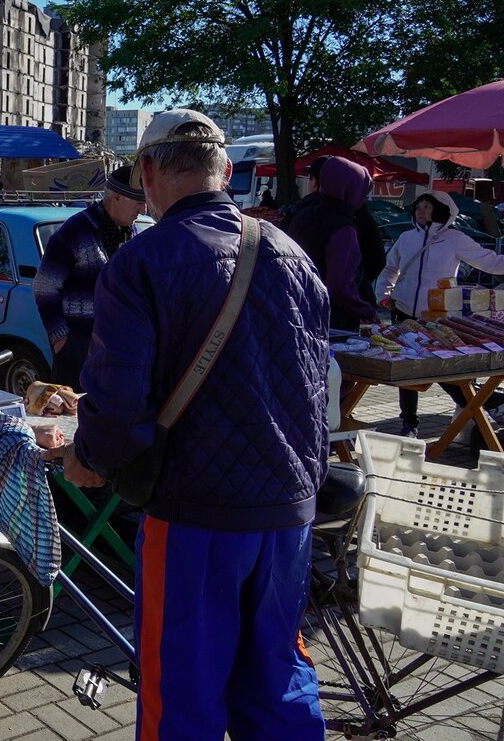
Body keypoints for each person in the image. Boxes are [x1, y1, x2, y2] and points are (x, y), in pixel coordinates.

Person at [53, 109, 330, 740]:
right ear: (226, 170)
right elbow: (319, 387)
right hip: (288, 510)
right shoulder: (292, 253)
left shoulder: (142, 261)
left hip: (197, 517)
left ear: (148, 171)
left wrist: (89, 458)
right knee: (279, 685)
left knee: (182, 696)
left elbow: (117, 400)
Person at [377, 190, 504, 437]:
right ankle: (409, 424)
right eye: (419, 206)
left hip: (438, 316)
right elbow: (389, 268)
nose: (421, 211)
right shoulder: (405, 238)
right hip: (404, 314)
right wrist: (384, 295)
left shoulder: (455, 239)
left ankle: (483, 404)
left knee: (444, 370)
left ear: (441, 210)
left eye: (427, 206)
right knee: (407, 371)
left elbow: (489, 262)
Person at [33, 164, 144, 388]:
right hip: (79, 343)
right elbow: (44, 286)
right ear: (117, 197)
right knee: (72, 413)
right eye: (138, 202)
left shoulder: (129, 230)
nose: (142, 209)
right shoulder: (76, 230)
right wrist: (61, 338)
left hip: (115, 343)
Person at [284, 156, 379, 331]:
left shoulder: (302, 216)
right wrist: (368, 312)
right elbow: (339, 287)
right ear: (352, 190)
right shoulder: (343, 229)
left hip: (295, 312)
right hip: (332, 324)